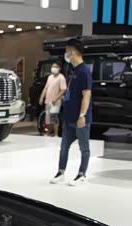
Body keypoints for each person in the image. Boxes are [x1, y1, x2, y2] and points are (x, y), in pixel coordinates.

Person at [50, 38, 93, 187]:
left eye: (67, 51)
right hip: (69, 116)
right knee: (64, 147)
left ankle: (82, 174)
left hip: (80, 118)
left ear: (73, 52)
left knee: (84, 148)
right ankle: (61, 172)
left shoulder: (84, 72)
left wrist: (82, 115)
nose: (66, 55)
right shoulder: (72, 70)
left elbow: (86, 95)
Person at [39, 61, 66, 137]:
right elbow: (46, 88)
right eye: (53, 66)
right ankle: (48, 132)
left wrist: (56, 98)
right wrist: (42, 97)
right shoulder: (50, 77)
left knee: (54, 117)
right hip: (48, 101)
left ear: (59, 68)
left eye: (56, 67)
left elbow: (63, 89)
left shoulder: (61, 77)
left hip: (55, 102)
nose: (53, 68)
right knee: (48, 118)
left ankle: (56, 134)